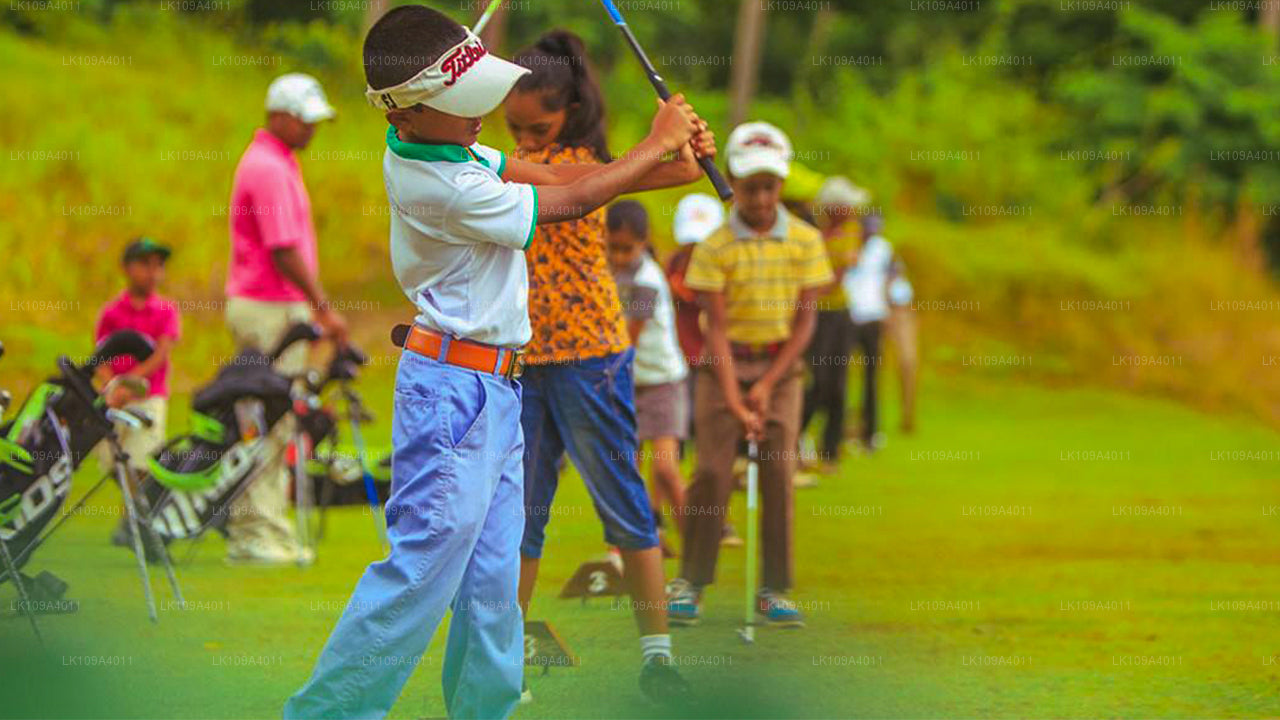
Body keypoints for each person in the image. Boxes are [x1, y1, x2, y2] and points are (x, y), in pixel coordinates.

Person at [284, 7, 712, 719]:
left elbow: (553, 172)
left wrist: (671, 167)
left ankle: (486, 709)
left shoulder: (446, 147)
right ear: (407, 112)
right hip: (451, 392)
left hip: (495, 389)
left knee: (491, 580)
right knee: (423, 564)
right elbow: (568, 200)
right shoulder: (441, 185)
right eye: (465, 102)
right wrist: (653, 144)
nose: (481, 113)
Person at [503, 29, 712, 703]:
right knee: (521, 516)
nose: (526, 141)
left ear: (570, 111)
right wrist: (662, 143)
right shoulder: (514, 164)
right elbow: (606, 178)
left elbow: (659, 174)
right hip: (525, 360)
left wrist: (684, 149)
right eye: (515, 129)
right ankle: (507, 661)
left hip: (590, 357)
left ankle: (659, 660)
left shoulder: (589, 162)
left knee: (623, 503)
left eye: (538, 129)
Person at [667, 122, 833, 628]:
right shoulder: (715, 245)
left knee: (779, 471)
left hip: (781, 368)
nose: (760, 198)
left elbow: (805, 324)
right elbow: (714, 329)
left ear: (781, 185)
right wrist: (737, 400)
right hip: (721, 366)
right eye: (750, 187)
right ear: (733, 183)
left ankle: (774, 589)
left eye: (769, 186)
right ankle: (691, 581)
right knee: (713, 472)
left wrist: (764, 386)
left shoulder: (805, 241)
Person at [223, 71, 347, 565]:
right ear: (277, 116)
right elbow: (283, 250)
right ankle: (256, 534)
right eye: (303, 120)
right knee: (267, 424)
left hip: (272, 305)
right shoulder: (269, 167)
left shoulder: (278, 161)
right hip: (268, 306)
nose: (311, 129)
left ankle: (266, 530)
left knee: (273, 423)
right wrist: (323, 308)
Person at [605, 200, 689, 552]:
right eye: (612, 248)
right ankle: (626, 551)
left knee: (666, 469)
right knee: (628, 472)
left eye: (627, 249)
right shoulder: (606, 270)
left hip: (662, 381)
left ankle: (697, 545)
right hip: (628, 381)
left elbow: (628, 338)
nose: (619, 256)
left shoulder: (648, 279)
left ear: (644, 242)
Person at [665, 193, 742, 546]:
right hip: (674, 368)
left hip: (713, 368)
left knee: (712, 452)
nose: (695, 249)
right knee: (669, 451)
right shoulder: (669, 268)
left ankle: (715, 521)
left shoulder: (726, 269)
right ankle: (657, 521)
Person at [94, 237, 180, 548]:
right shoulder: (112, 312)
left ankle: (135, 523)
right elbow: (100, 357)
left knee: (142, 461)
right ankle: (135, 518)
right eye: (145, 264)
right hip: (116, 398)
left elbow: (160, 355)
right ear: (127, 267)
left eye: (158, 266)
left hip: (149, 396)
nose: (153, 272)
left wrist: (128, 383)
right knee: (112, 460)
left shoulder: (166, 310)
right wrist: (113, 387)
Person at [799, 176, 868, 476]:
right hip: (813, 314)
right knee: (815, 382)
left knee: (836, 383)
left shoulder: (851, 230)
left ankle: (830, 449)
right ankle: (795, 439)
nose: (852, 211)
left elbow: (834, 277)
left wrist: (809, 288)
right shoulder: (811, 227)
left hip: (837, 313)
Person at [844, 212, 895, 452]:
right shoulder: (847, 243)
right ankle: (843, 431)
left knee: (871, 378)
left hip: (874, 317)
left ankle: (870, 432)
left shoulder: (883, 248)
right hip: (848, 316)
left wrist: (889, 311)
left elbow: (889, 280)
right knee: (840, 378)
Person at [886, 259, 918, 433]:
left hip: (903, 319)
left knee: (908, 366)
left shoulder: (902, 284)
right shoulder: (884, 285)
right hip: (887, 317)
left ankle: (907, 417)